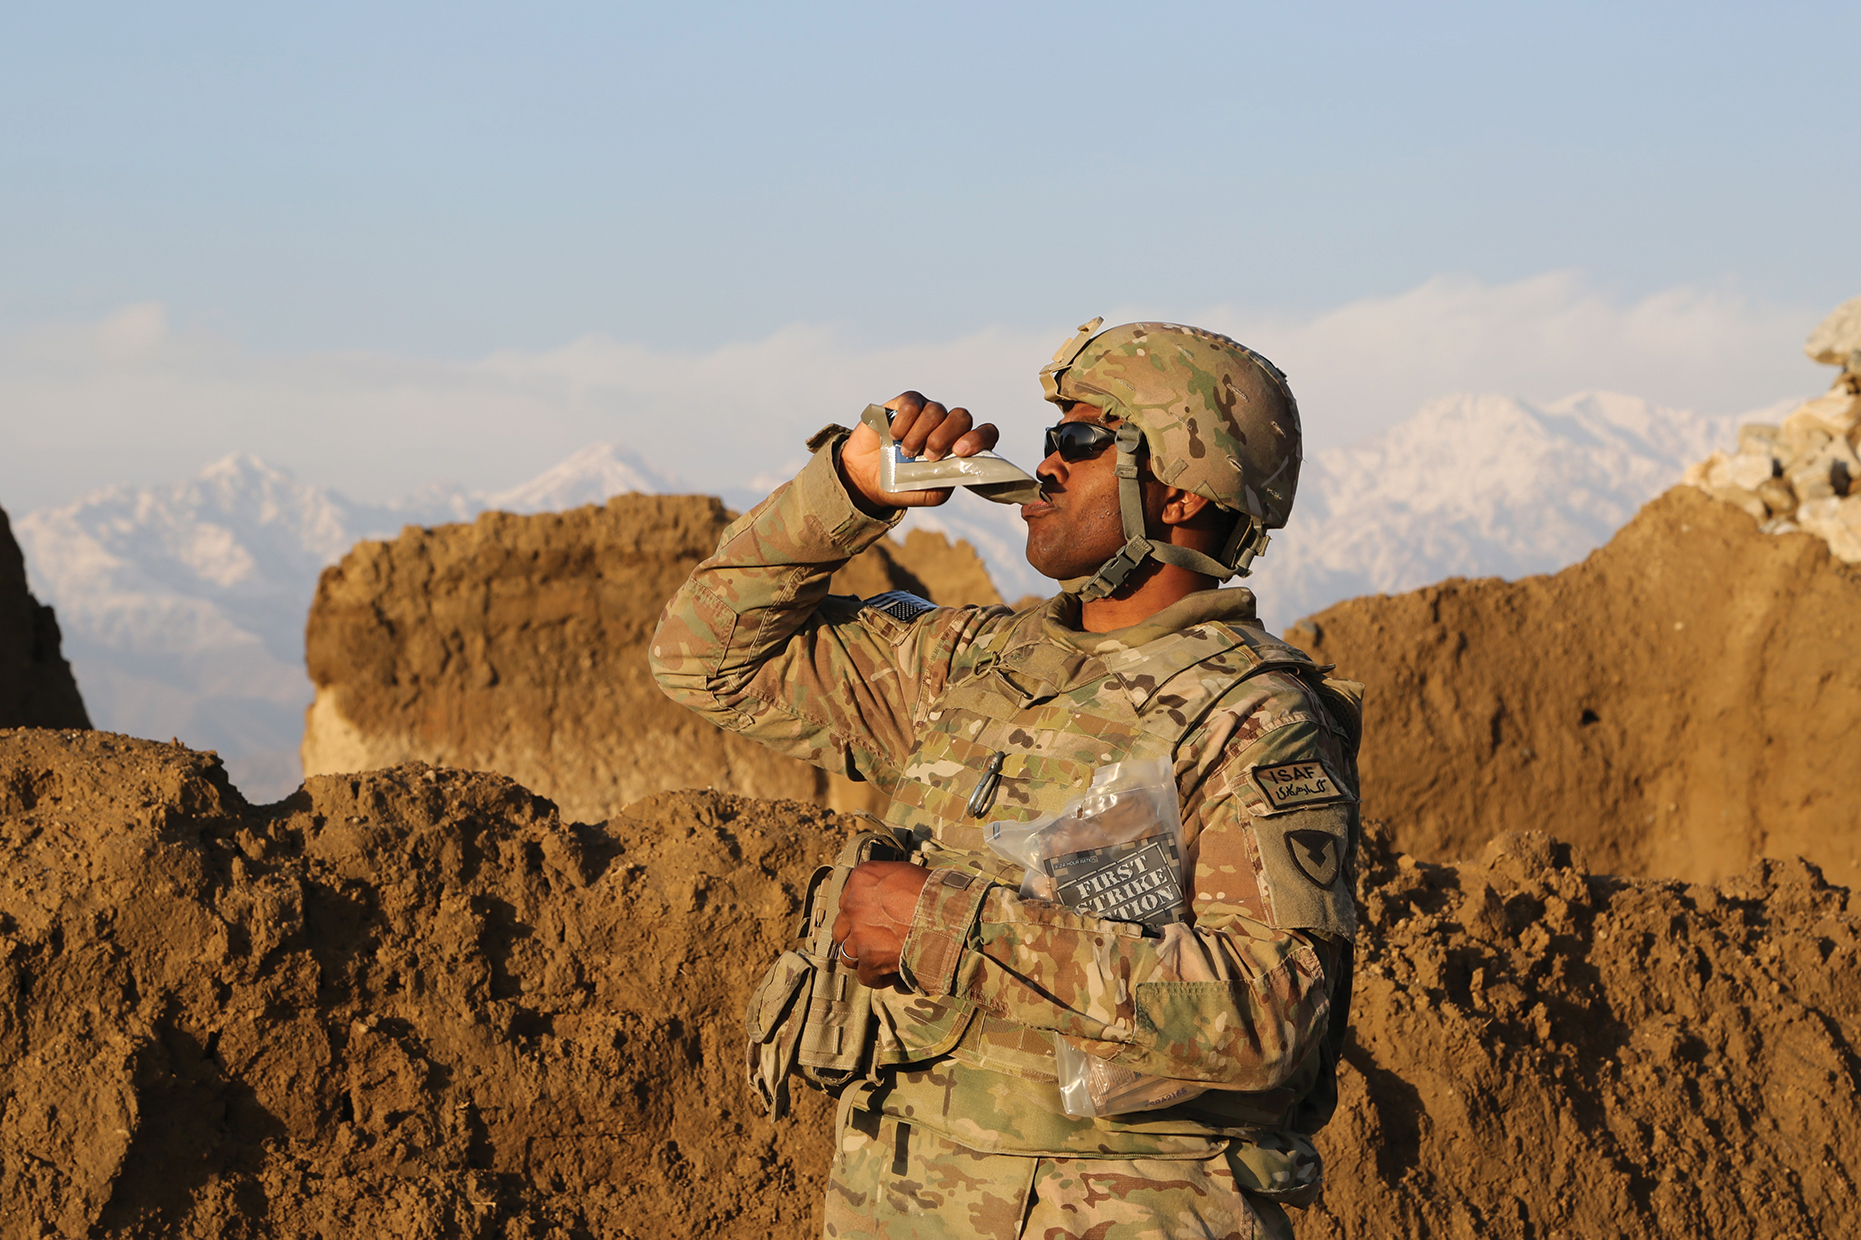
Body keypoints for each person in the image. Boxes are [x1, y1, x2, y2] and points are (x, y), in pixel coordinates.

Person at [652, 319, 1361, 1239]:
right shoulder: (973, 664)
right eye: (1048, 442)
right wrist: (853, 489)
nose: (1047, 466)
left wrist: (944, 925)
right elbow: (703, 656)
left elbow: (1266, 1018)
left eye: (1079, 440)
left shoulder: (1254, 716)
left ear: (1179, 494)